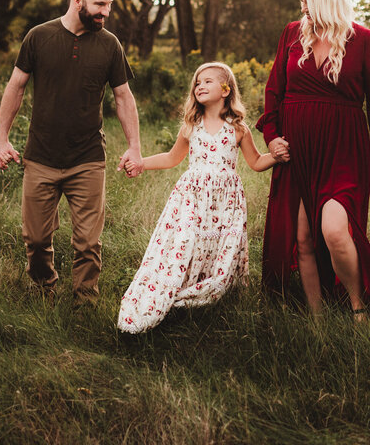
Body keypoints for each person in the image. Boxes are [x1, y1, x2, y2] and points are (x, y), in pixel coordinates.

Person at [258, 0, 370, 319]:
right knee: (302, 239)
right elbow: (274, 91)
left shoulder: (364, 40)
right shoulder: (291, 35)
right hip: (296, 152)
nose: (302, 10)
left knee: (334, 230)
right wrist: (271, 137)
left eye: (307, 1)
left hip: (341, 150)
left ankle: (359, 309)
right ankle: (317, 319)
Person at [0, 0, 143, 306]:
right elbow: (16, 87)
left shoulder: (109, 45)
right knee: (36, 237)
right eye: (100, 4)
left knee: (88, 242)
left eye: (109, 5)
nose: (106, 11)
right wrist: (1, 139)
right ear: (77, 1)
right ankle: (44, 288)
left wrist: (134, 148)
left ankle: (84, 303)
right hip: (41, 156)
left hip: (87, 158)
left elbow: (123, 97)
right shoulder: (39, 37)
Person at [117, 62, 280, 333]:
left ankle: (213, 297)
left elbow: (255, 162)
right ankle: (174, 292)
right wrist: (141, 163)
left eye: (207, 82)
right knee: (187, 242)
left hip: (226, 203)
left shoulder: (238, 129)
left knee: (220, 246)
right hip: (192, 199)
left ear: (226, 90)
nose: (199, 86)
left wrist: (277, 156)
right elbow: (172, 158)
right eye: (197, 83)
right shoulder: (192, 126)